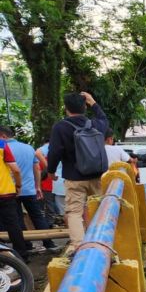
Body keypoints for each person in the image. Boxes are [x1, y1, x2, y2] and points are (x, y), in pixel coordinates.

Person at [47, 91, 109, 248]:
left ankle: (79, 246)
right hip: (96, 176)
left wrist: (51, 171)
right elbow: (103, 119)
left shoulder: (60, 127)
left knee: (74, 212)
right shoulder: (95, 124)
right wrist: (93, 102)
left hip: (74, 178)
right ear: (84, 106)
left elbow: (55, 152)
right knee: (98, 209)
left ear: (66, 108)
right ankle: (101, 241)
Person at [0, 126, 57, 254]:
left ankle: (26, 246)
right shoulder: (28, 148)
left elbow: (13, 170)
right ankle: (49, 243)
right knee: (37, 216)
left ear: (3, 136)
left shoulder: (3, 148)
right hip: (29, 189)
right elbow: (37, 168)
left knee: (17, 219)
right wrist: (37, 187)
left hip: (9, 190)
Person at [0, 135, 28, 263]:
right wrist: (18, 185)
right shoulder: (2, 144)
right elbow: (15, 170)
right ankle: (22, 257)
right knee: (13, 225)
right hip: (5, 192)